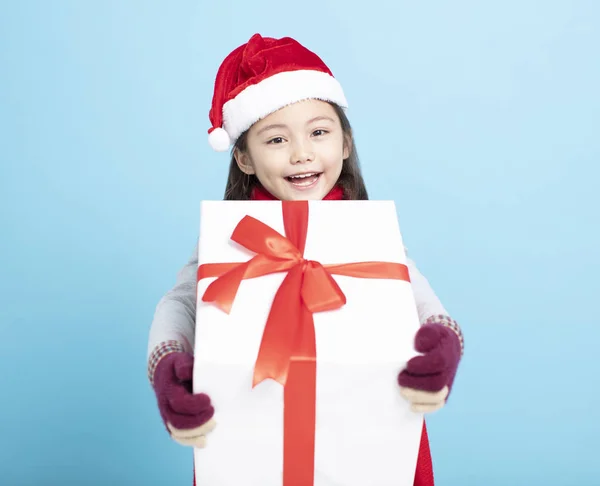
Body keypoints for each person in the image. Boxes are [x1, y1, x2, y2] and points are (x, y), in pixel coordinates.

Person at [147, 33, 464, 486]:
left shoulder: (368, 230)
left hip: (370, 439)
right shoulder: (233, 236)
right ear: (244, 158)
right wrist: (168, 361)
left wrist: (443, 343)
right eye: (276, 139)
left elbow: (415, 295)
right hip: (252, 439)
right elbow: (181, 303)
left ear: (346, 143)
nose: (302, 153)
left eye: (319, 132)